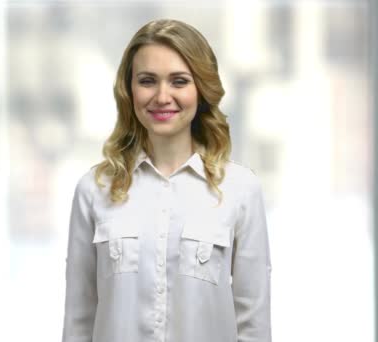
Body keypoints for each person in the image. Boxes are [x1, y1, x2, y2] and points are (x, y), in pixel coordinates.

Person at [61, 19, 272, 342]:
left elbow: (253, 325)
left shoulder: (240, 190)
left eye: (179, 81)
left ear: (200, 89)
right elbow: (79, 321)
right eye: (147, 81)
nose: (162, 96)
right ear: (128, 90)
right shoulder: (94, 190)